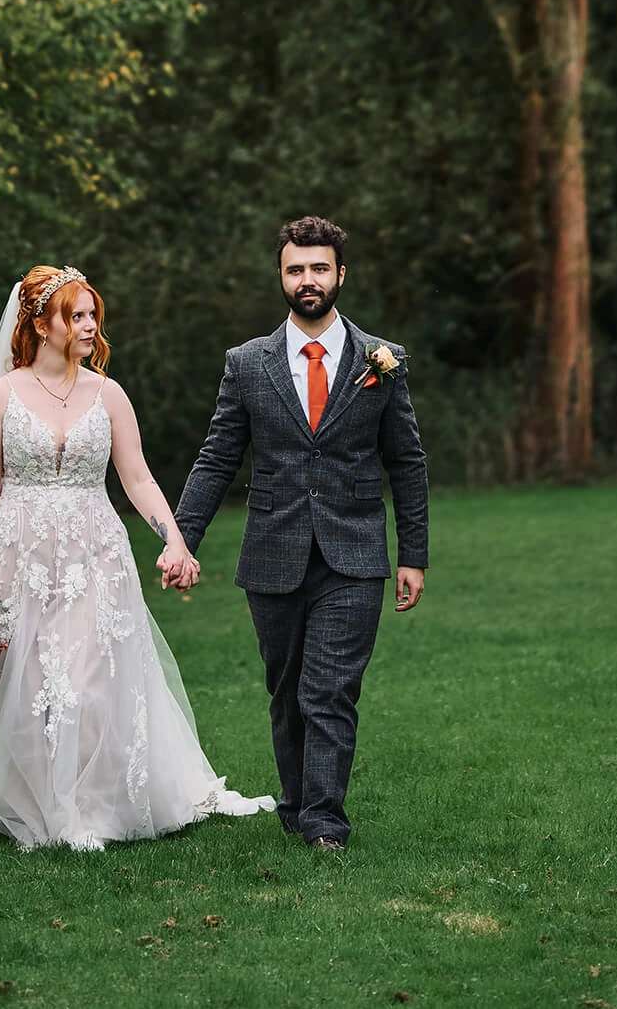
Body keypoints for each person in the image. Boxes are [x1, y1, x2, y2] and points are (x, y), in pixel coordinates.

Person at [0, 263, 275, 850]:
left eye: (92, 315)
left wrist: (174, 539)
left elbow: (137, 477)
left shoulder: (108, 394)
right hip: (17, 558)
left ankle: (89, 807)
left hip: (93, 555)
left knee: (88, 680)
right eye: (75, 316)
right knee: (23, 685)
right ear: (40, 325)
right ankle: (31, 803)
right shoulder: (1, 397)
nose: (89, 326)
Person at [164, 217, 428, 850]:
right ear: (281, 277)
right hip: (273, 551)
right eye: (295, 269)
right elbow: (217, 458)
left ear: (341, 274)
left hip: (355, 552)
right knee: (286, 692)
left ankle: (325, 822)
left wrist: (413, 554)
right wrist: (182, 538)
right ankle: (296, 804)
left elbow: (407, 462)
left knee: (330, 690)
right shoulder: (246, 364)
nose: (307, 279)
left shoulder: (382, 361)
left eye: (319, 268)